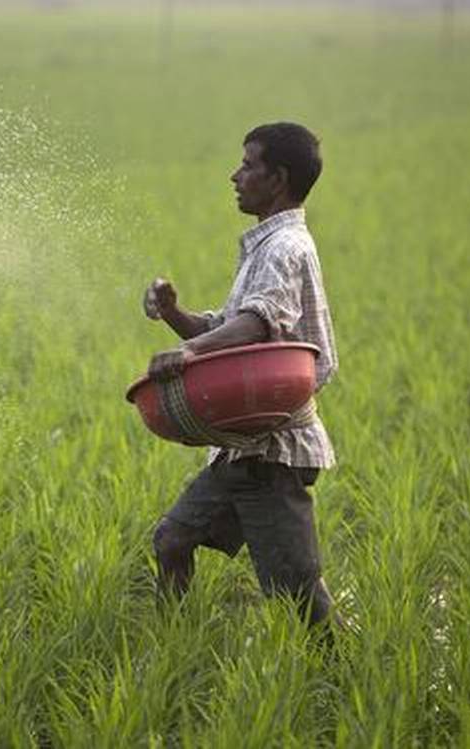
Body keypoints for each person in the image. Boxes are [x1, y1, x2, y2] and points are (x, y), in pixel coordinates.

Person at [143, 122, 340, 629]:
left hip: (272, 454)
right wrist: (175, 314)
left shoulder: (285, 247)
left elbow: (257, 324)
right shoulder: (266, 244)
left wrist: (187, 351)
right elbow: (233, 325)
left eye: (248, 165)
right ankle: (175, 651)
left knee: (298, 594)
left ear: (277, 179)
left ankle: (346, 678)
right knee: (172, 539)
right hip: (244, 450)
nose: (236, 176)